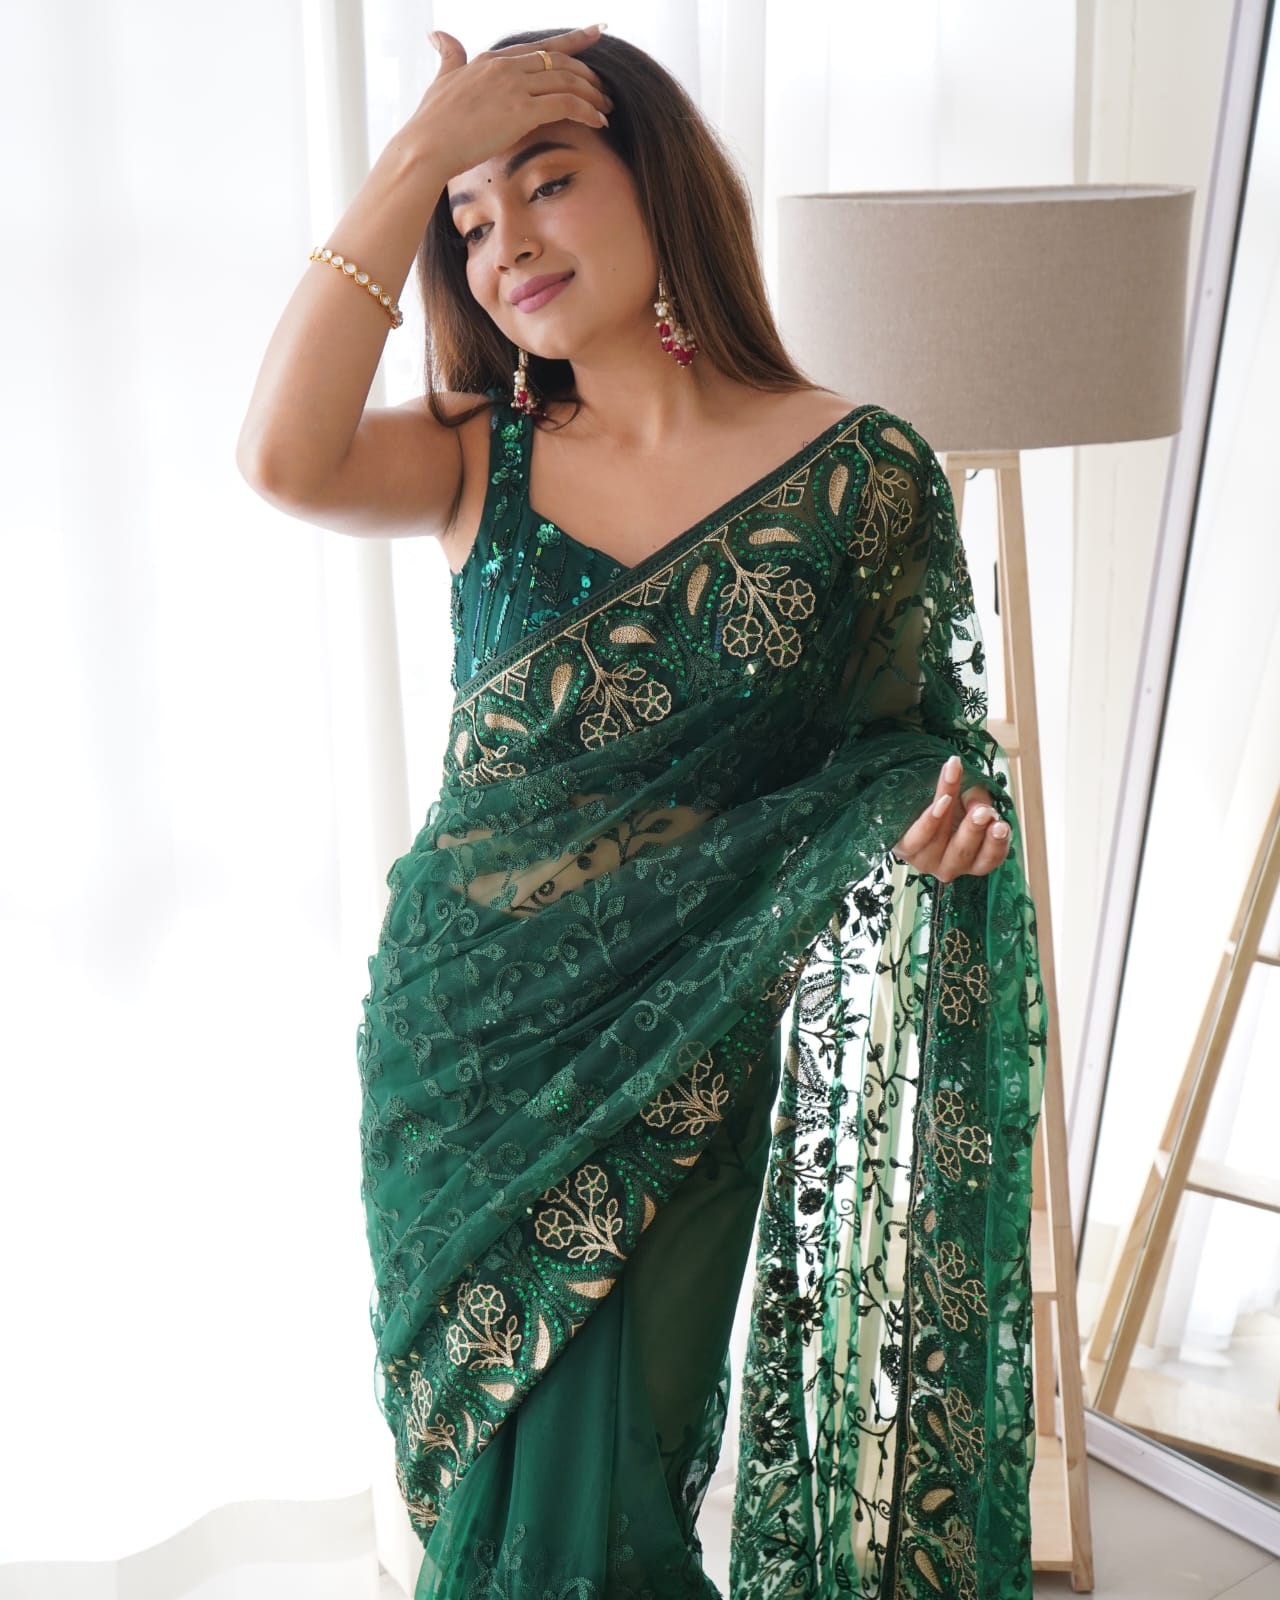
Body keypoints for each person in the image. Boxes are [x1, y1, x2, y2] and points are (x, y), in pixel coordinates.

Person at [238, 22, 1046, 1599]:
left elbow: (898, 760)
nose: (508, 244)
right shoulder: (480, 456)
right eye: (469, 221)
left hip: (686, 1049)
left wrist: (931, 827)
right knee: (501, 1511)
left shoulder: (862, 477)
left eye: (547, 182)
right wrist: (414, 156)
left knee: (611, 1506)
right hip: (461, 1051)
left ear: (659, 179)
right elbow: (282, 457)